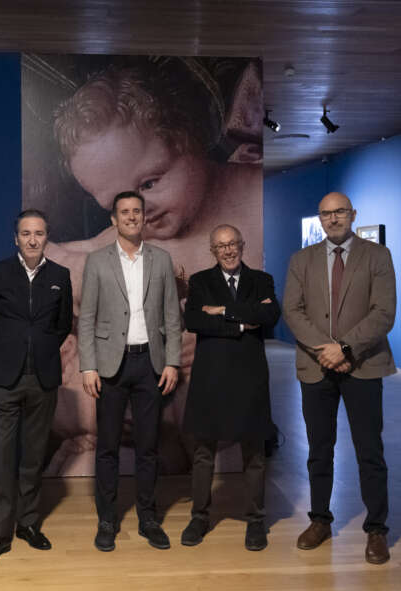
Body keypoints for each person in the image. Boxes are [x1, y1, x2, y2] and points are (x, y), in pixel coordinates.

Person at [40, 61, 262, 477]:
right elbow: (55, 258)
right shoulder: (117, 244)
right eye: (116, 203)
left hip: (215, 423)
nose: (139, 210)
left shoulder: (256, 200)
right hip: (142, 419)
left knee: (225, 458)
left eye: (150, 183)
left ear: (190, 138)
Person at [282, 192, 397, 565]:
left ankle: (376, 529)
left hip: (363, 365)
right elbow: (293, 311)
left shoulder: (377, 256)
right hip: (316, 367)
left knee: (370, 451)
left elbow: (384, 313)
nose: (333, 219)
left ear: (353, 214)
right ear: (320, 218)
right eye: (326, 214)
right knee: (319, 450)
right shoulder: (302, 259)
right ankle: (319, 520)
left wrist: (345, 349)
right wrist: (326, 350)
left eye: (339, 212)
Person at [77, 191, 182, 551]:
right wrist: (88, 366)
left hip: (150, 364)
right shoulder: (96, 261)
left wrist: (172, 360)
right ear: (113, 219)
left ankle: (148, 518)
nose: (132, 217)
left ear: (143, 216)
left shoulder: (162, 260)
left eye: (137, 211)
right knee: (107, 447)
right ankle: (107, 519)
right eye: (124, 212)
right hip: (109, 365)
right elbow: (86, 318)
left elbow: (172, 316)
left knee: (147, 447)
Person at [0, 210, 73, 566]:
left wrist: (40, 351)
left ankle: (28, 523)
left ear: (47, 237)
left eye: (39, 233)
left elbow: (62, 326)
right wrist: (10, 350)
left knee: (33, 458)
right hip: (5, 378)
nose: (32, 239)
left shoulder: (60, 275)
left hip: (43, 379)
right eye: (26, 233)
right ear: (15, 238)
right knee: (3, 459)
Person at [181, 224, 280, 551]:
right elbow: (194, 321)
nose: (228, 250)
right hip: (210, 379)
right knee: (203, 454)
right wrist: (242, 323)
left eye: (233, 244)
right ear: (213, 250)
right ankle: (199, 517)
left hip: (249, 379)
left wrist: (223, 311)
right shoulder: (199, 281)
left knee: (254, 456)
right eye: (221, 245)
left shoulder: (261, 280)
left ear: (243, 245)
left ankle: (255, 521)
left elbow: (269, 315)